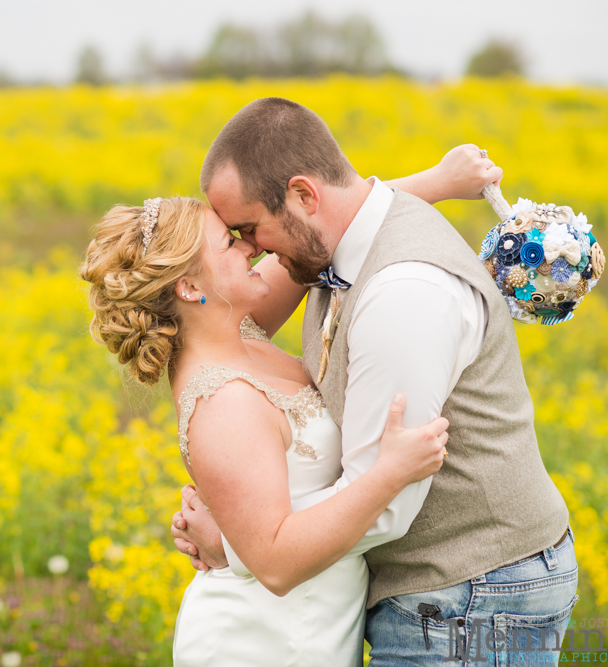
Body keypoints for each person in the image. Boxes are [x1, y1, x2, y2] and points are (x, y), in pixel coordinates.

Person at [170, 97, 577, 666]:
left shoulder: (402, 294)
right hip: (443, 591)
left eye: (251, 228)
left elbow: (389, 500)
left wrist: (240, 544)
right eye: (235, 237)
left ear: (305, 196)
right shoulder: (324, 251)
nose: (252, 249)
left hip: (469, 591)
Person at [80, 145, 504, 665]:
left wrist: (439, 180)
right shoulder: (223, 400)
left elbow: (337, 223)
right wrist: (388, 474)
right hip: (265, 640)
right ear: (190, 287)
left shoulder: (243, 332)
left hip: (314, 622)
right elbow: (276, 564)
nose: (251, 248)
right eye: (227, 243)